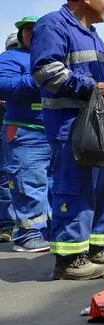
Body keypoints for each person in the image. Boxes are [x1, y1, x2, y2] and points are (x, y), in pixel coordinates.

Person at [31, 0, 104, 279]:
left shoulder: (95, 36)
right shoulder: (53, 24)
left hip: (101, 125)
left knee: (100, 189)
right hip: (70, 125)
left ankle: (95, 248)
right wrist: (93, 86)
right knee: (75, 190)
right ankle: (69, 259)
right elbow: (45, 71)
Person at [0, 16, 52, 252]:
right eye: (27, 30)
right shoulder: (11, 57)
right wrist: (38, 77)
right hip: (25, 130)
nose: (31, 33)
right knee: (28, 183)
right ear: (21, 36)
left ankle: (47, 230)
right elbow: (4, 86)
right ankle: (27, 234)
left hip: (55, 132)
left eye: (36, 30)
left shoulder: (55, 57)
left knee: (52, 185)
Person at [0, 33, 22, 243]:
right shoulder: (3, 70)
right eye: (12, 47)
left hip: (19, 130)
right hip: (7, 130)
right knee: (5, 180)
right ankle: (6, 225)